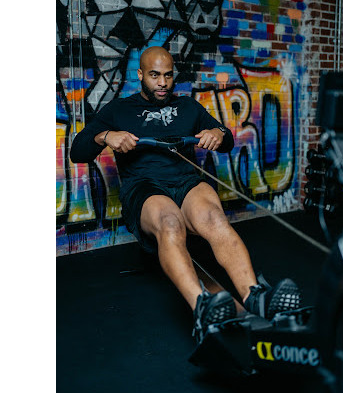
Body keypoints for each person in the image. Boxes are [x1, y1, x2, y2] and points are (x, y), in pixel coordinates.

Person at [70, 46, 301, 343]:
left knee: (214, 218)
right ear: (140, 75)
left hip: (186, 183)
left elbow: (226, 139)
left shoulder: (188, 107)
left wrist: (219, 133)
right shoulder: (119, 109)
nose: (162, 83)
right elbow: (78, 151)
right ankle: (203, 307)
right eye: (154, 75)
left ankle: (255, 296)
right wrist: (105, 136)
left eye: (168, 75)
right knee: (170, 223)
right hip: (145, 187)